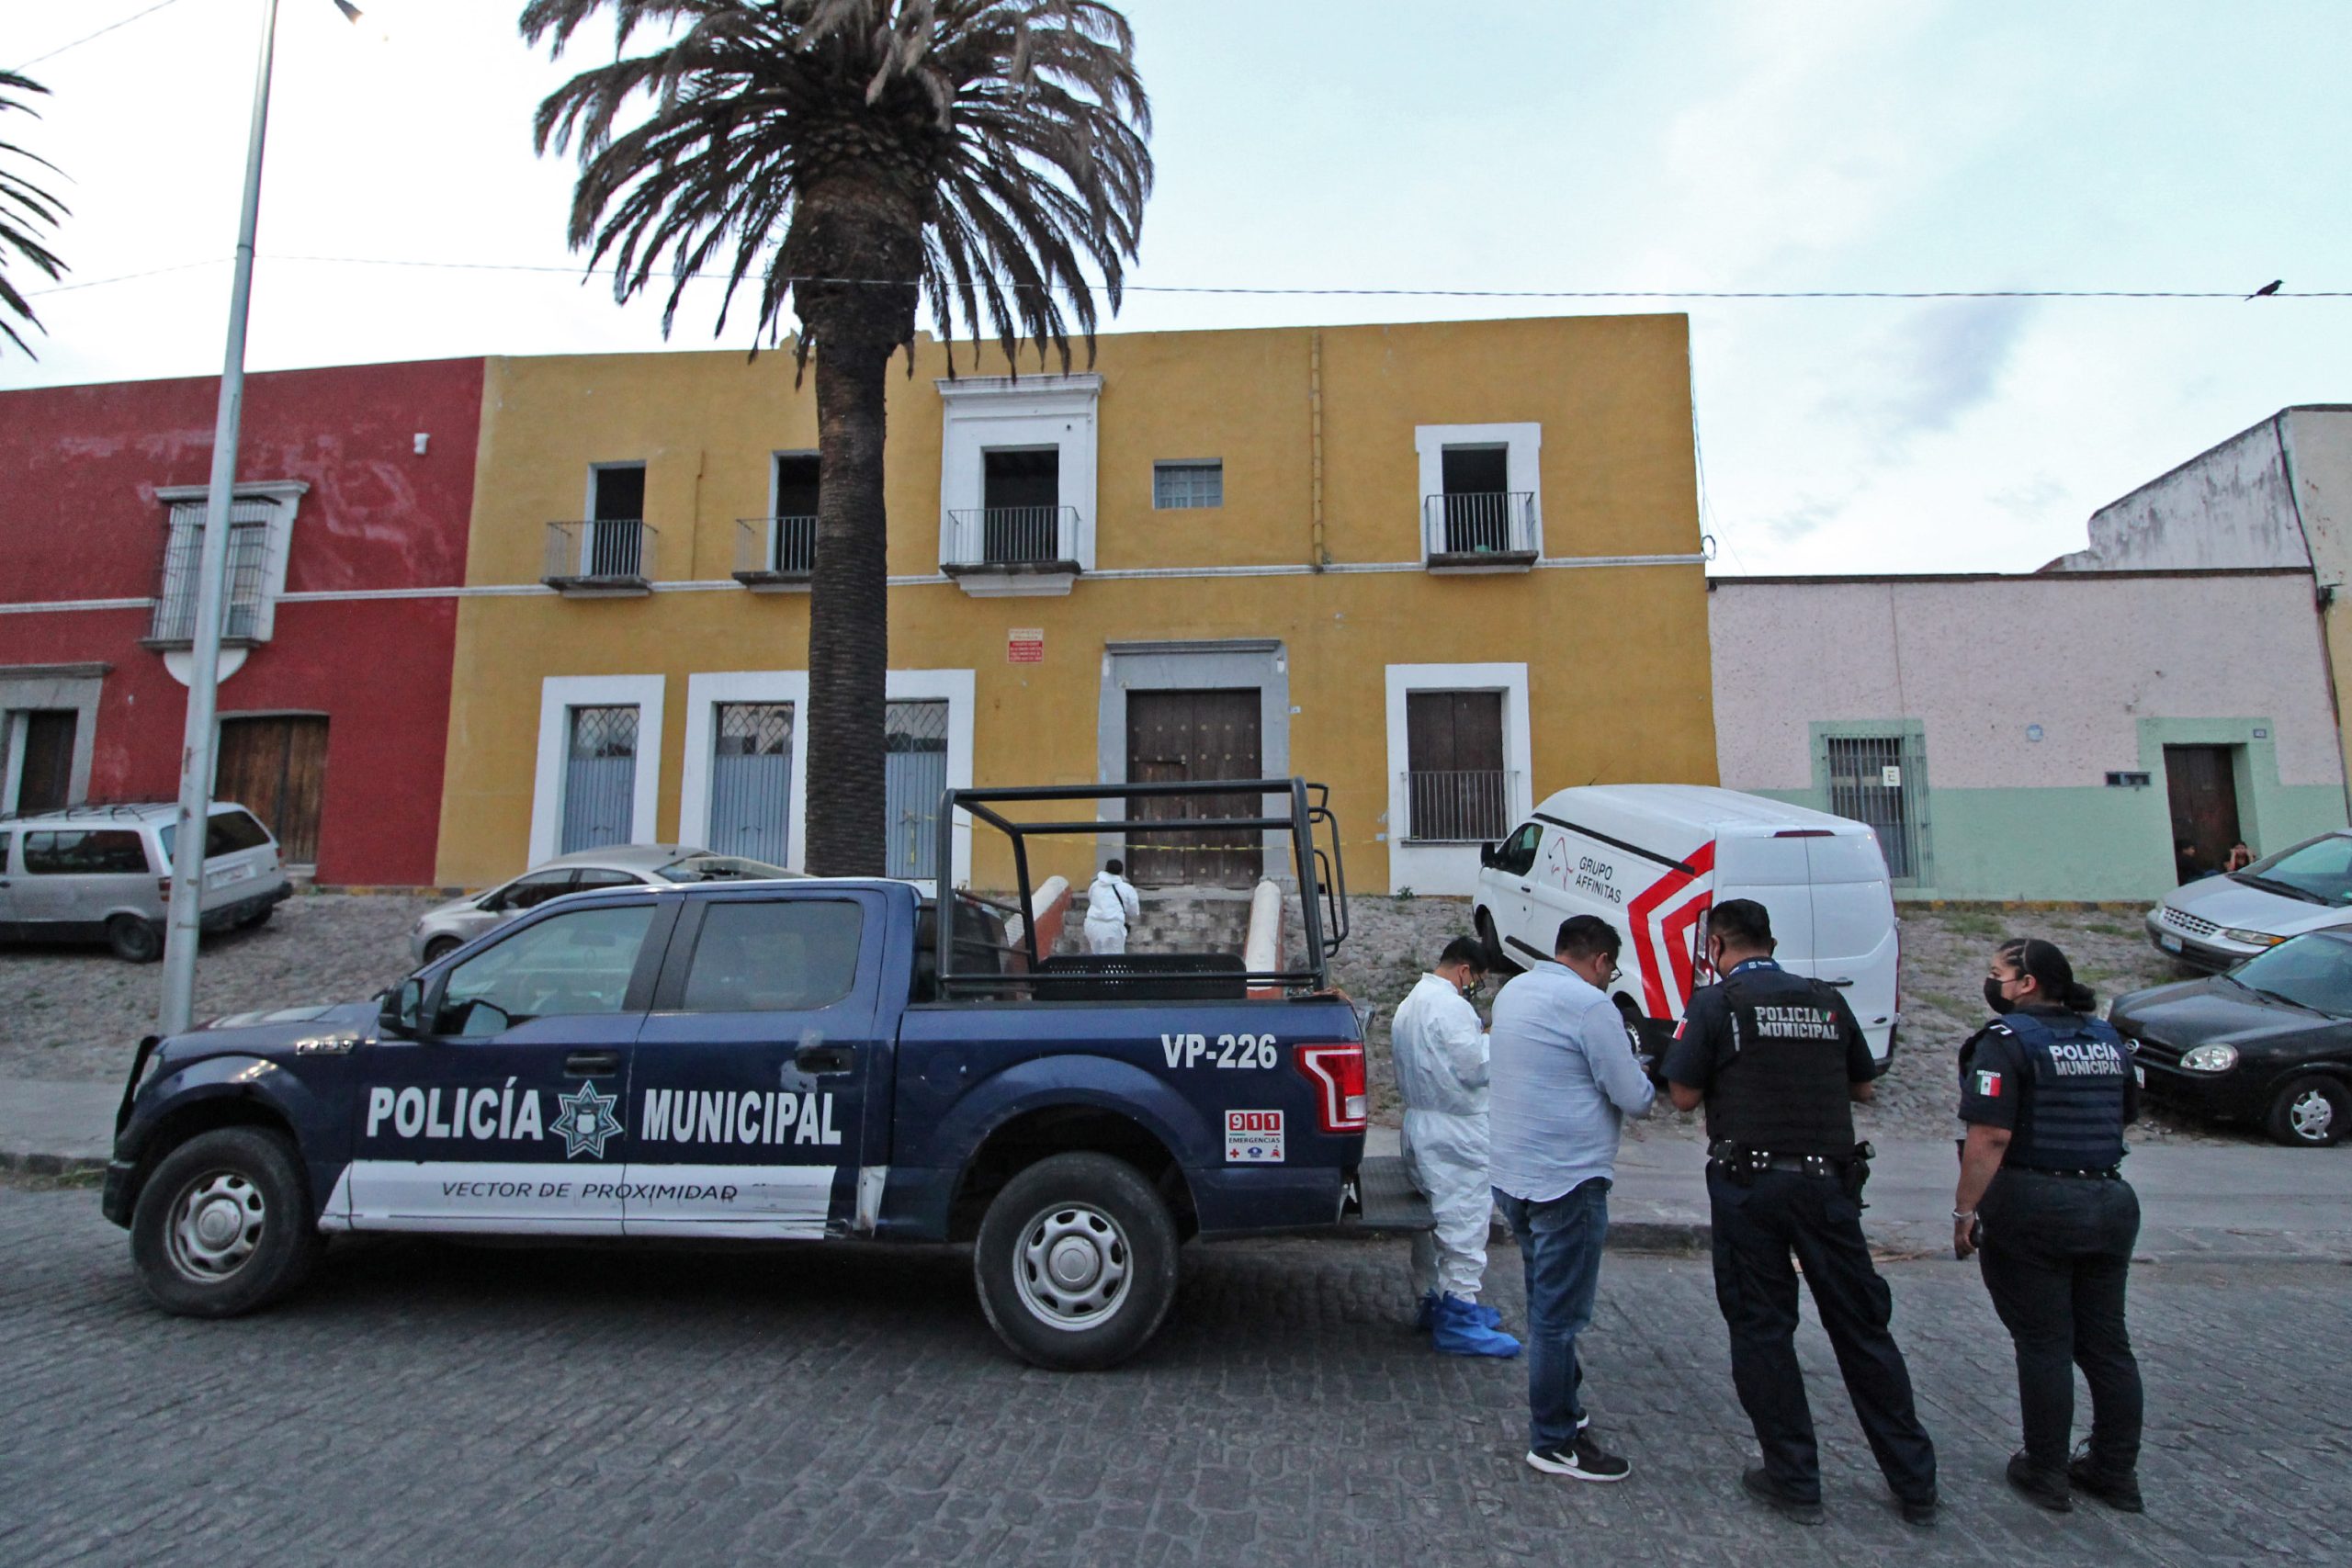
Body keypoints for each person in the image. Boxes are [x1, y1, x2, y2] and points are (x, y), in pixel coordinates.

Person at [1662, 897, 1939, 1529]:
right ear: (1772, 939)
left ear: (1715, 946)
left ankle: (1793, 1476)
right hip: (1829, 1184)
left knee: (1763, 1327)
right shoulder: (1824, 998)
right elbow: (1863, 1085)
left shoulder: (1716, 1004)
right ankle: (1914, 1480)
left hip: (1751, 1184)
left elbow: (1681, 1094)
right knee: (1863, 1329)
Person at [1953, 937, 2144, 1515]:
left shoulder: (2006, 1043)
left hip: (2035, 1202)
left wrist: (1965, 1211)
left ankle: (2046, 1469)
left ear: (2027, 983)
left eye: (1997, 974)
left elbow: (1990, 1134)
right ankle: (2115, 1471)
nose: (1993, 985)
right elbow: (2126, 1111)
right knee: (2107, 1343)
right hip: (2109, 1199)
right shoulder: (2108, 1038)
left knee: (2044, 1341)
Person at [1487, 914, 1655, 1483]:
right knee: (1558, 1321)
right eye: (1611, 971)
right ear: (1602, 961)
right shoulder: (1592, 1007)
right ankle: (1554, 1441)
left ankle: (1568, 1409)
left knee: (1545, 1305)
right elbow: (1634, 1097)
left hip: (1513, 1176)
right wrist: (1644, 1070)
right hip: (1568, 1182)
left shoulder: (1514, 991)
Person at [1391, 936, 1519, 1357]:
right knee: (1463, 1222)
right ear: (1465, 971)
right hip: (1456, 1132)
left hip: (1419, 1123)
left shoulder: (1411, 1001)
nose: (1474, 989)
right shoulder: (1451, 1006)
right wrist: (1494, 1038)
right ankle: (1458, 1312)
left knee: (1432, 1223)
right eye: (1476, 981)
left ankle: (1434, 1297)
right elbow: (1475, 1067)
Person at [1082, 858, 1140, 954]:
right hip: (1113, 926)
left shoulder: (1095, 885)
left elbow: (1091, 899)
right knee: (1114, 960)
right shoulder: (1127, 889)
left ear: (1106, 869)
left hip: (1092, 924)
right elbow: (1133, 912)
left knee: (1096, 956)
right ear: (1121, 872)